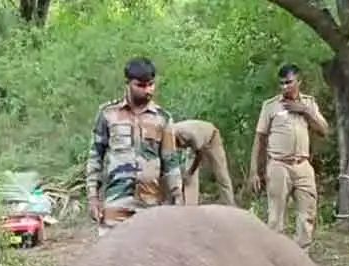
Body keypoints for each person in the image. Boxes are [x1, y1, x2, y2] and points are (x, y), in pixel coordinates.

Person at [85, 57, 182, 236]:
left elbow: (171, 162)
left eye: (151, 84)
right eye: (141, 85)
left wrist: (177, 198)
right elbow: (95, 157)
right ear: (128, 83)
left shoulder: (162, 118)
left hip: (150, 204)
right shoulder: (108, 114)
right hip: (116, 202)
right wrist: (92, 197)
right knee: (111, 256)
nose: (148, 90)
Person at [249, 64, 330, 248]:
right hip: (279, 165)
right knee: (276, 218)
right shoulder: (271, 106)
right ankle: (275, 260)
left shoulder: (308, 103)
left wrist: (304, 110)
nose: (285, 87)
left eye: (289, 82)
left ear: (299, 82)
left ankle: (302, 259)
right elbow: (259, 140)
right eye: (282, 84)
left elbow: (324, 130)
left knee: (307, 216)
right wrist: (255, 171)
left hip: (302, 165)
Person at [173, 119, 236, 206]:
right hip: (192, 146)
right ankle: (190, 208)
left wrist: (190, 172)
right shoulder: (169, 134)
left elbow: (199, 155)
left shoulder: (191, 134)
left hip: (212, 139)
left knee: (221, 174)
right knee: (189, 180)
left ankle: (230, 205)